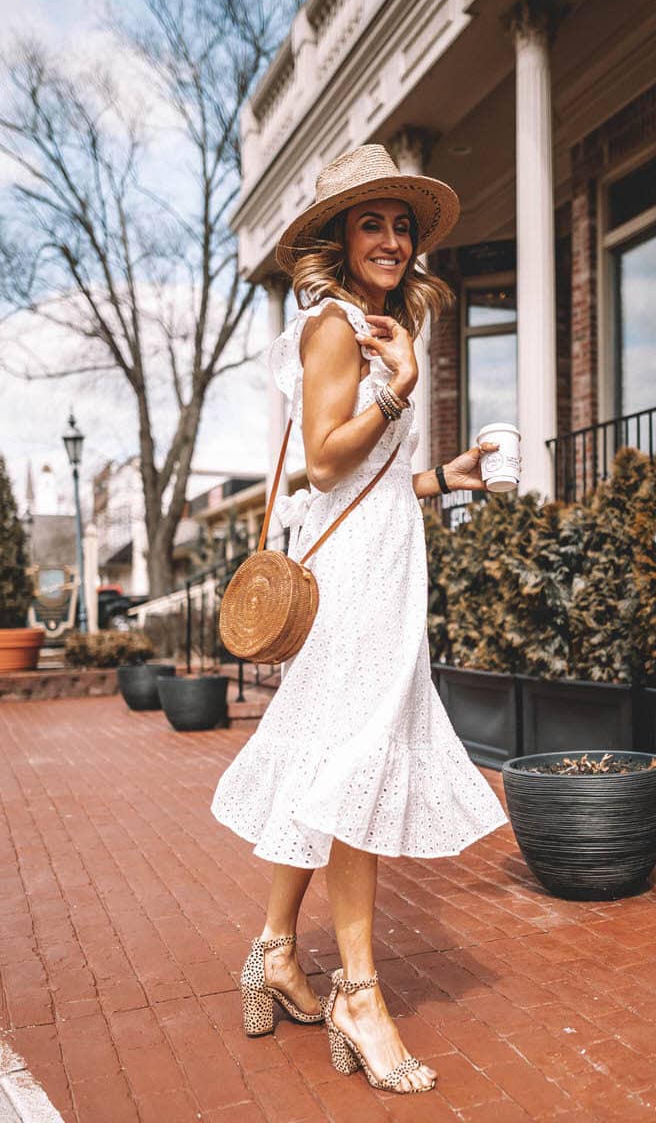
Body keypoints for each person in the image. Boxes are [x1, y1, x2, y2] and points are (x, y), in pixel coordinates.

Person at [210, 144, 508, 1095]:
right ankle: (361, 994)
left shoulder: (375, 324)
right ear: (340, 237)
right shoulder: (338, 328)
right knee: (358, 767)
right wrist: (402, 386)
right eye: (370, 222)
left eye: (401, 224)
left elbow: (373, 480)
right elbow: (327, 465)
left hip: (381, 560)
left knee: (326, 760)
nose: (390, 238)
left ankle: (274, 954)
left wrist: (443, 475)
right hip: (355, 583)